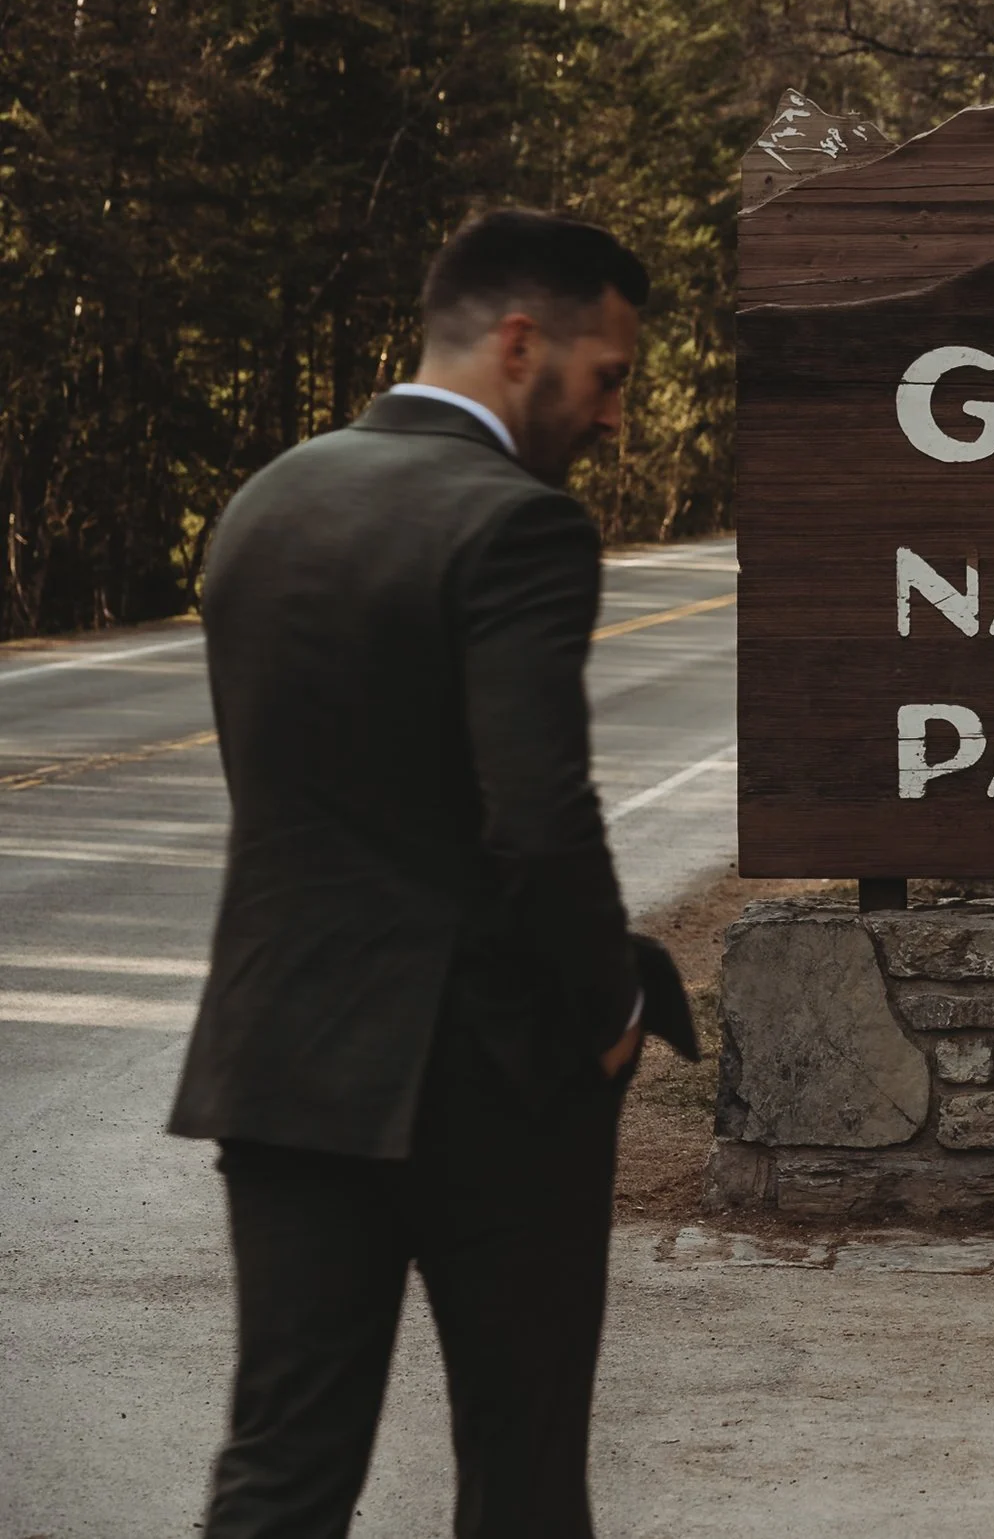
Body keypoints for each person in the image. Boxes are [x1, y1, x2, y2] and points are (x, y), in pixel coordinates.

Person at [170, 208, 697, 1535]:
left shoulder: (265, 500)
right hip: (494, 1077)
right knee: (520, 1474)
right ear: (522, 341)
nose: (617, 418)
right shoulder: (517, 524)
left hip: (281, 1054)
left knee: (280, 1467)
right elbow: (539, 821)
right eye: (610, 376)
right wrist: (610, 1016)